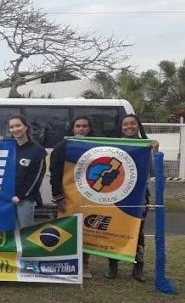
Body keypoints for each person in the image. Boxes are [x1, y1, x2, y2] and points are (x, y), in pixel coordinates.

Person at [105, 114, 159, 282]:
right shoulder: (115, 146)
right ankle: (113, 266)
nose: (129, 127)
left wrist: (154, 152)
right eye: (125, 124)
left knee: (138, 231)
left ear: (138, 126)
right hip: (116, 195)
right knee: (114, 229)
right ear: (121, 127)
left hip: (139, 196)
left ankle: (138, 267)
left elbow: (153, 172)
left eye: (132, 124)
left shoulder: (146, 146)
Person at [50, 115, 94, 278]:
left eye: (84, 126)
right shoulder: (63, 147)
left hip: (90, 197)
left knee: (87, 231)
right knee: (65, 229)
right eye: (78, 126)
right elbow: (55, 173)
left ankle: (85, 264)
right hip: (68, 197)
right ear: (73, 129)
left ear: (89, 129)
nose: (81, 129)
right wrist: (58, 196)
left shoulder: (96, 146)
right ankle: (63, 262)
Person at [7, 115, 46, 229]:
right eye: (12, 127)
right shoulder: (9, 147)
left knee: (25, 232)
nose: (15, 129)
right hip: (8, 198)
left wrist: (20, 196)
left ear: (26, 127)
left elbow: (36, 177)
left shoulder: (37, 150)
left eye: (18, 125)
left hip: (24, 199)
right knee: (11, 231)